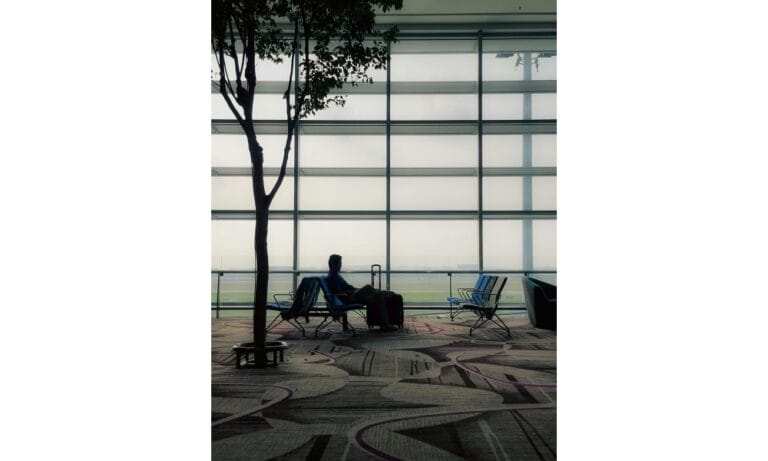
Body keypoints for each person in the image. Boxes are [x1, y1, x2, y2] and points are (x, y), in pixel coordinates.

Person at [326, 254, 398, 332]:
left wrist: (357, 290)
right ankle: (385, 294)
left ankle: (385, 325)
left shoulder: (336, 275)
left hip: (351, 295)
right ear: (333, 264)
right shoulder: (332, 277)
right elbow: (339, 293)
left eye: (340, 264)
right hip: (347, 298)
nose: (340, 266)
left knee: (378, 296)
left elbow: (348, 287)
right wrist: (355, 291)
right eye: (339, 264)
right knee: (368, 287)